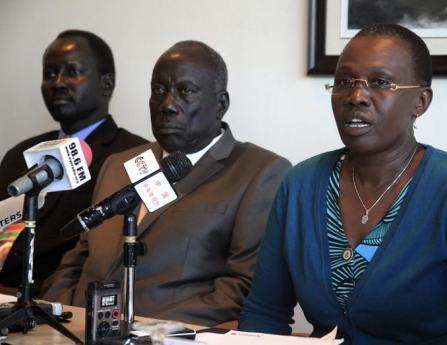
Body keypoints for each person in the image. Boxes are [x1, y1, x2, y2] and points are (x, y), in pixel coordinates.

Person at [239, 24, 447, 344]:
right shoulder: (299, 185)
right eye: (344, 82)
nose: (355, 97)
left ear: (420, 101)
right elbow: (264, 312)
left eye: (380, 82)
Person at [42, 40, 291, 326]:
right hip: (77, 328)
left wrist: (143, 329)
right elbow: (79, 257)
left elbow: (241, 287)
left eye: (185, 92)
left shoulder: (260, 173)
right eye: (158, 90)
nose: (168, 105)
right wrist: (64, 313)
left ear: (221, 104)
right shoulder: (119, 164)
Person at [0, 30, 147, 295]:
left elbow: (107, 253)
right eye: (50, 73)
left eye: (73, 71)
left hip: (62, 302)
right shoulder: (20, 153)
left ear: (106, 84)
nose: (57, 83)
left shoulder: (132, 156)